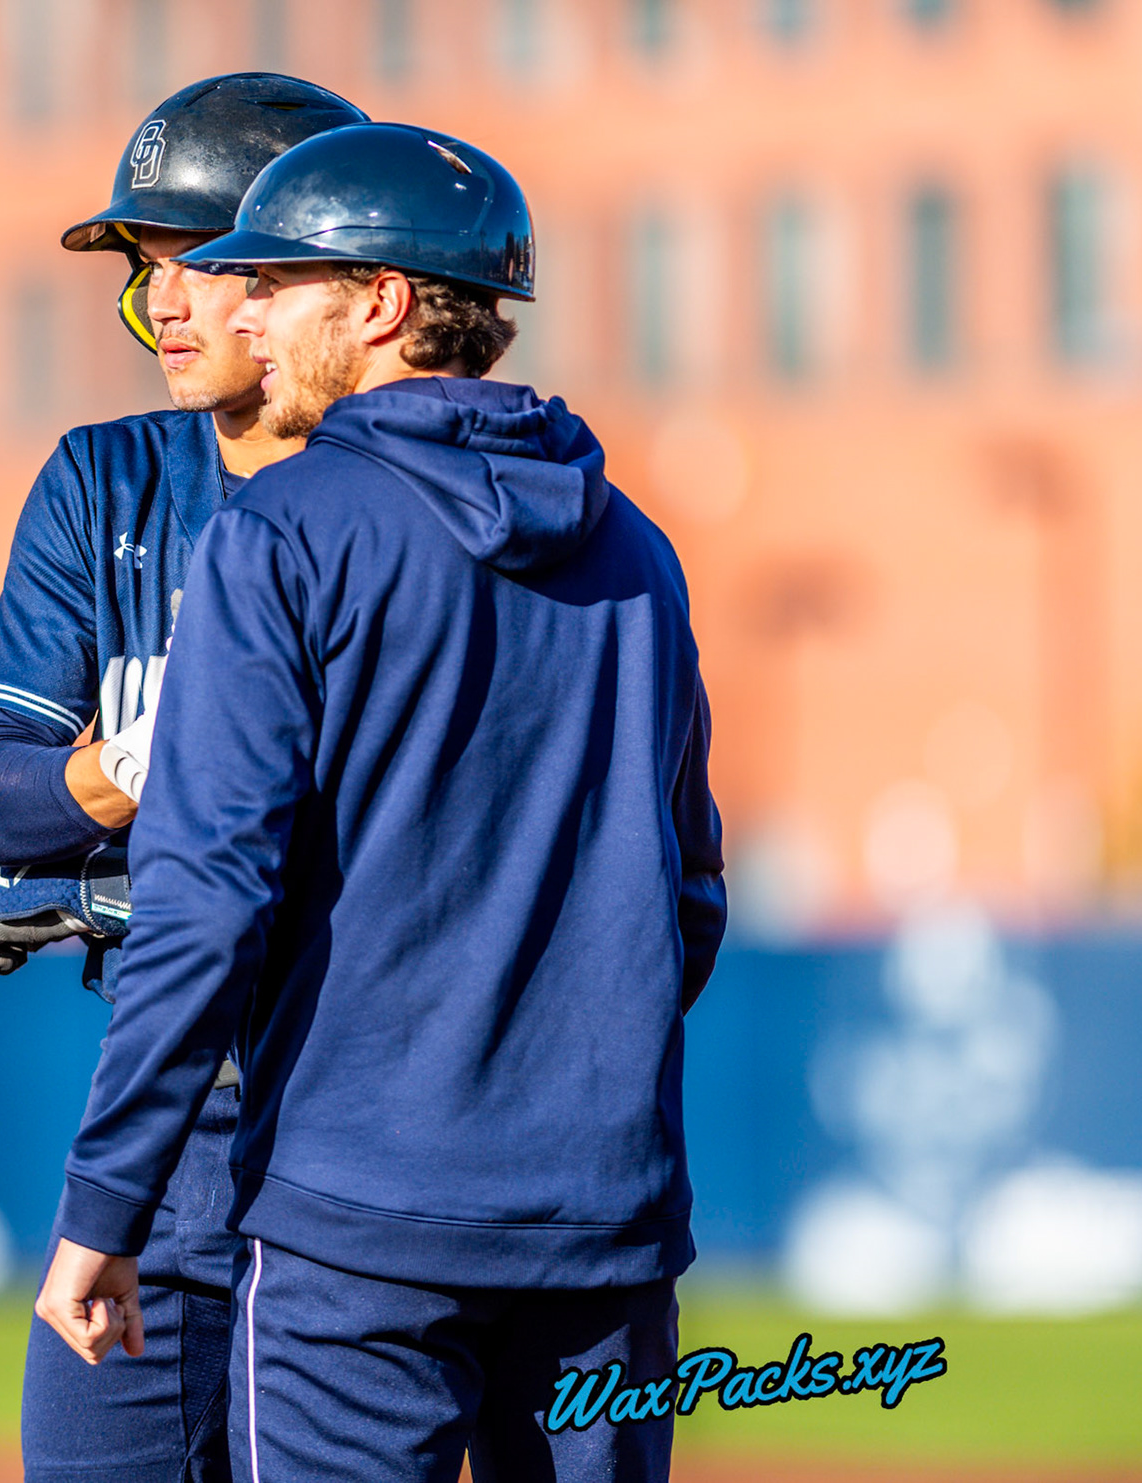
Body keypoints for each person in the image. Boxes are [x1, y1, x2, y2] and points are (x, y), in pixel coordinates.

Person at [35, 123, 728, 1483]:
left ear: (385, 305)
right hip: (602, 1229)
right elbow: (688, 895)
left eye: (279, 281)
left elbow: (203, 903)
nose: (245, 310)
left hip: (356, 1239)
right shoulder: (638, 547)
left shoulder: (284, 529)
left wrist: (106, 1204)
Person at [0, 73, 366, 1483]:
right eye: (146, 272)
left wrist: (129, 821)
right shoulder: (104, 480)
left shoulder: (407, 505)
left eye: (200, 261)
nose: (164, 305)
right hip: (168, 1112)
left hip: (364, 1113)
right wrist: (138, 776)